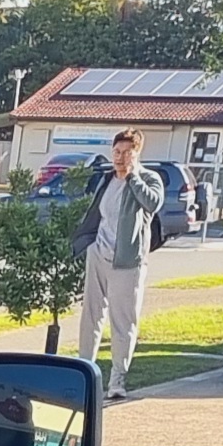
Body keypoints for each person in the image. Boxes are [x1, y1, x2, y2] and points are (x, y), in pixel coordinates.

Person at [71, 128, 165, 399]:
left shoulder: (149, 179)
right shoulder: (106, 179)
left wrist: (133, 176)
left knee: (123, 322)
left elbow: (152, 203)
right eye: (116, 152)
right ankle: (85, 375)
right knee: (91, 316)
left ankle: (117, 381)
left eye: (126, 152)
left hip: (127, 261)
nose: (120, 157)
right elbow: (98, 214)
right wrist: (88, 244)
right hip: (98, 254)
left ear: (137, 153)